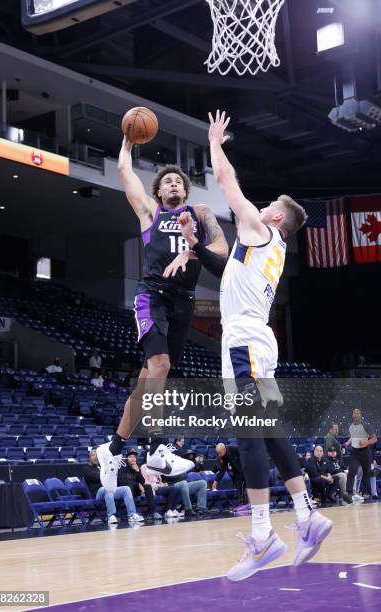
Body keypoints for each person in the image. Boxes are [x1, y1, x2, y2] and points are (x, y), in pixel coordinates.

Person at [178, 110, 332, 581]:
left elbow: (225, 180)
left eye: (267, 205)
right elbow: (228, 274)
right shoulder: (272, 249)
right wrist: (197, 247)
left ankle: (264, 535)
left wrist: (214, 143)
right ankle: (307, 513)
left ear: (278, 217)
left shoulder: (261, 230)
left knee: (248, 434)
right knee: (265, 429)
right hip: (261, 341)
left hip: (244, 340)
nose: (259, 205)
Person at [96, 134, 228, 491]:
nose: (173, 183)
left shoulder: (199, 214)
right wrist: (125, 142)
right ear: (159, 192)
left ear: (185, 192)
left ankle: (114, 447)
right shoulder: (150, 212)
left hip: (184, 302)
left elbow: (222, 247)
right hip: (152, 295)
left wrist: (192, 249)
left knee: (147, 384)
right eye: (167, 181)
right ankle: (156, 445)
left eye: (178, 182)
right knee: (162, 366)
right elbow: (125, 172)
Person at [83, 449, 143, 523]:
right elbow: (97, 476)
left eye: (97, 455)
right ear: (89, 458)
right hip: (97, 493)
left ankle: (132, 515)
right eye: (93, 455)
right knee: (107, 489)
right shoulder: (87, 468)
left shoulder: (103, 467)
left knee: (126, 489)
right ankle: (111, 515)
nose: (95, 457)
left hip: (109, 491)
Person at [117, 449, 162, 520]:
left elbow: (143, 481)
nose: (133, 458)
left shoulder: (136, 466)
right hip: (125, 491)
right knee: (129, 487)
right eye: (131, 456)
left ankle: (152, 512)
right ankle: (132, 514)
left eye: (134, 457)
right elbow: (122, 481)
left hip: (135, 489)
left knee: (147, 486)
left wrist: (138, 471)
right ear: (127, 458)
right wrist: (137, 484)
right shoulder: (122, 467)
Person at [345, 409, 377, 500]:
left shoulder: (366, 426)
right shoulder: (351, 426)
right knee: (352, 471)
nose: (355, 415)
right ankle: (350, 493)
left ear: (360, 415)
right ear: (352, 415)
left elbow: (374, 439)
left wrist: (365, 442)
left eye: (357, 413)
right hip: (354, 452)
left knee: (367, 474)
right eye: (354, 413)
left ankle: (372, 492)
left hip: (364, 452)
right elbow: (353, 436)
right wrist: (348, 442)